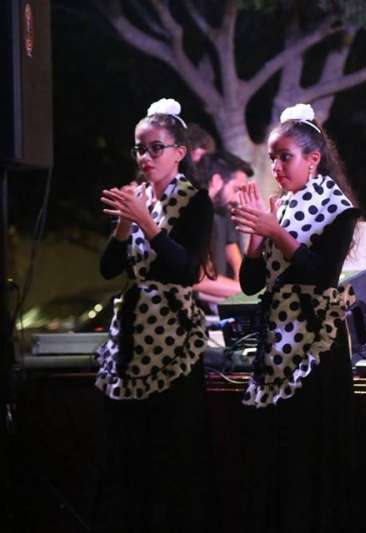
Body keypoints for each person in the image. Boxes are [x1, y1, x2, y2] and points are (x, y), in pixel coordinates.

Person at [230, 103, 360, 532]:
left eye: (285, 157)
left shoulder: (339, 209)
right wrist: (255, 240)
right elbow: (252, 283)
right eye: (273, 158)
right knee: (276, 453)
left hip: (315, 346)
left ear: (313, 159)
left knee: (310, 453)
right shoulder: (280, 207)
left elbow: (321, 275)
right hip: (275, 343)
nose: (276, 167)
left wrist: (276, 232)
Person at [93, 98, 215, 532]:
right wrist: (124, 224)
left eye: (155, 148)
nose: (145, 157)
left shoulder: (195, 201)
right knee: (127, 455)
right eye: (139, 149)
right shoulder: (137, 197)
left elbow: (186, 270)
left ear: (179, 152)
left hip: (173, 335)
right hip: (131, 332)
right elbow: (109, 269)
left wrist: (147, 222)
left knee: (173, 454)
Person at [193, 151, 254, 306]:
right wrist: (248, 292)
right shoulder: (192, 212)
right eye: (236, 189)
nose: (237, 199)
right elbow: (197, 280)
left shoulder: (218, 213)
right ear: (217, 181)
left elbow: (233, 254)